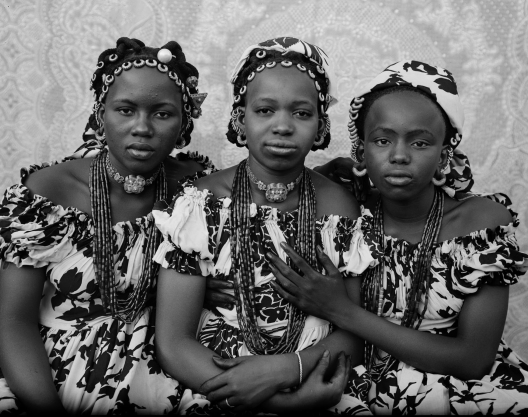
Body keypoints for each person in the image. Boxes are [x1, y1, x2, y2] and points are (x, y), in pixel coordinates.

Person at [269, 60, 528, 414]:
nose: (399, 156)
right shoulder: (344, 213)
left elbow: (473, 360)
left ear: (444, 155)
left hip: (453, 387)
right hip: (352, 380)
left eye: (420, 143)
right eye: (382, 140)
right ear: (361, 151)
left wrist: (342, 311)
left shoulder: (481, 225)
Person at [152, 37, 375, 415]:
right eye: (265, 110)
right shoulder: (201, 203)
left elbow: (355, 334)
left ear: (321, 125)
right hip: (214, 374)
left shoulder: (338, 208)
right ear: (241, 118)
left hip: (310, 371)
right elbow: (173, 342)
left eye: (301, 113)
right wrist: (277, 402)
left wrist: (288, 369)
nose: (282, 126)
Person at [0, 37, 216, 414]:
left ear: (184, 122)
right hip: (51, 373)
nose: (142, 128)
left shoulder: (195, 191)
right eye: (125, 110)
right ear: (102, 115)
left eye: (162, 114)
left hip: (162, 369)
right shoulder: (48, 193)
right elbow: (12, 321)